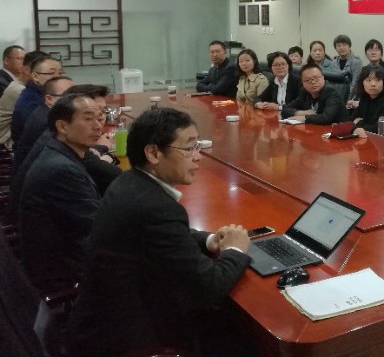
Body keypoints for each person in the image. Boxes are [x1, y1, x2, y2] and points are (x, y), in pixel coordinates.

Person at [67, 108, 253, 357]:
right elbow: (208, 288)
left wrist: (209, 241)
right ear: (153, 153)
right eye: (189, 148)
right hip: (126, 338)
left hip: (103, 317)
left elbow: (167, 236)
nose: (198, 156)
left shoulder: (129, 181)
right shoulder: (156, 207)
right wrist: (235, 249)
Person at [19, 94, 104, 293]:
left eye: (100, 118)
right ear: (63, 126)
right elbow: (96, 226)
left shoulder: (60, 153)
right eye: (88, 119)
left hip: (64, 252)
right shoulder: (62, 169)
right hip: (61, 270)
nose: (98, 126)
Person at [12, 75, 74, 177]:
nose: (76, 101)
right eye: (69, 96)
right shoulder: (49, 122)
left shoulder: (44, 111)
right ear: (49, 99)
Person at [11, 54, 62, 146]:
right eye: (51, 73)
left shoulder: (43, 93)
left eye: (60, 73)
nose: (58, 77)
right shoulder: (31, 102)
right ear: (35, 76)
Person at [0, 50, 47, 147]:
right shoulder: (20, 91)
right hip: (7, 143)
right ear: (26, 70)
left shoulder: (20, 85)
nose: (53, 77)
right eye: (47, 72)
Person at [281, 63, 348, 124]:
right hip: (313, 128)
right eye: (307, 80)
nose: (313, 82)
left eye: (316, 78)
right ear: (302, 82)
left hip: (336, 130)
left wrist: (304, 118)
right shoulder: (304, 92)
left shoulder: (331, 92)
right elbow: (285, 109)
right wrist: (300, 113)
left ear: (323, 78)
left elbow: (326, 118)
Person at [351, 65, 384, 139]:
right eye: (368, 80)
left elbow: (379, 129)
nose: (373, 84)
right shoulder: (365, 98)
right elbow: (350, 121)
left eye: (378, 80)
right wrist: (355, 127)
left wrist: (359, 123)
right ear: (362, 83)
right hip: (369, 140)